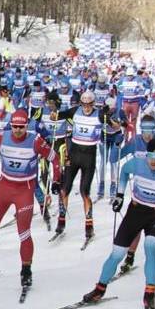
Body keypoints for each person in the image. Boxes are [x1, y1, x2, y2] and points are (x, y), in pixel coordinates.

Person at [81, 138, 155, 309]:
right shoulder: (137, 164)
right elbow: (124, 171)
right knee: (117, 254)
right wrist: (120, 195)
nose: (153, 161)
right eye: (150, 156)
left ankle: (149, 294)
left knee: (150, 246)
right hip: (136, 211)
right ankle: (99, 289)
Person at [0, 109, 61, 289]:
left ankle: (26, 270)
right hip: (4, 188)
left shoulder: (36, 140)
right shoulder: (2, 137)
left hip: (24, 190)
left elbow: (55, 159)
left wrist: (56, 180)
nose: (18, 130)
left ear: (27, 126)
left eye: (21, 127)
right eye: (15, 126)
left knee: (24, 233)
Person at [54, 89, 108, 241]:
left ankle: (89, 225)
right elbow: (61, 115)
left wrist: (114, 124)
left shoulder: (99, 114)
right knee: (65, 189)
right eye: (84, 104)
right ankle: (61, 220)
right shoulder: (75, 111)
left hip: (89, 157)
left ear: (93, 104)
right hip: (74, 155)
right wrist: (54, 115)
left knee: (84, 191)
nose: (86, 108)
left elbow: (115, 126)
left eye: (89, 105)